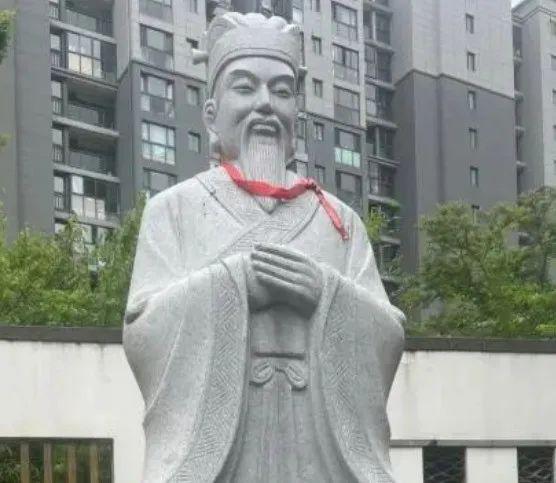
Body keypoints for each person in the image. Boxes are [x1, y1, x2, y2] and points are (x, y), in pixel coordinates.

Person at [123, 12, 404, 483]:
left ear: (297, 113)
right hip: (223, 456)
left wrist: (324, 293)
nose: (265, 105)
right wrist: (234, 284)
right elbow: (142, 331)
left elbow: (389, 334)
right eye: (245, 87)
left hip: (319, 449)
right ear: (211, 114)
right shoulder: (173, 210)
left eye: (282, 91)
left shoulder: (340, 222)